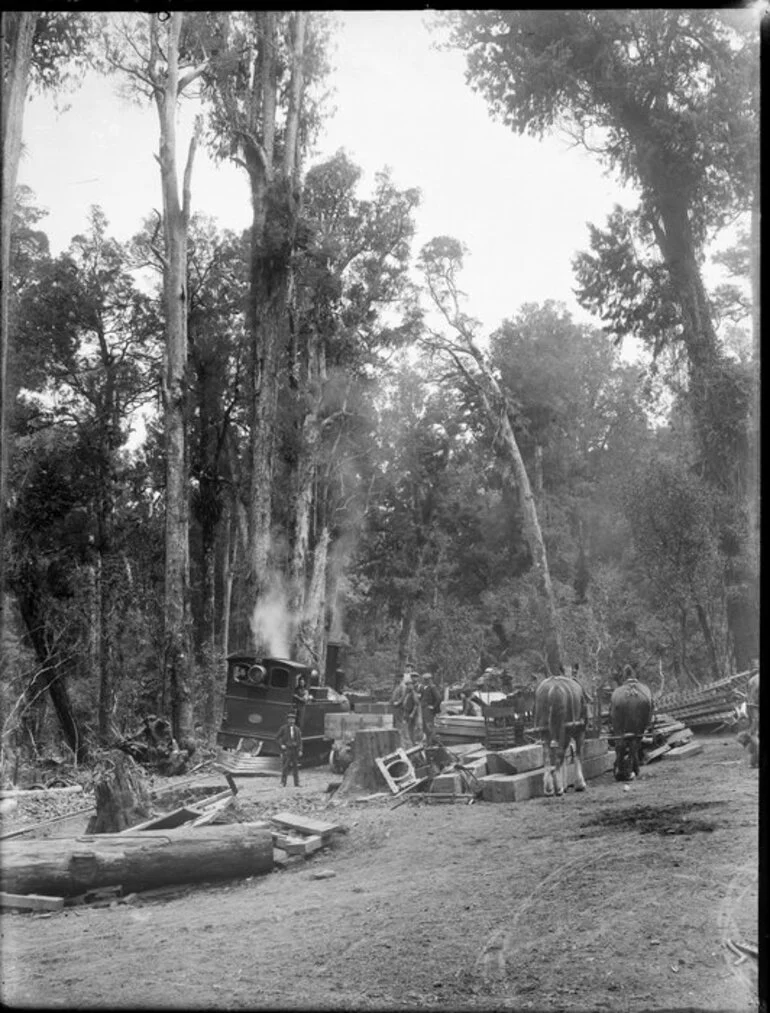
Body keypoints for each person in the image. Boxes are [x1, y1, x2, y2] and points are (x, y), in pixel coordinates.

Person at [276, 712, 303, 787]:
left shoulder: (297, 729)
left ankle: (297, 783)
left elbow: (300, 741)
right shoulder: (283, 728)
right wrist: (281, 745)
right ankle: (283, 783)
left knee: (296, 767)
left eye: (293, 719)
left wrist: (300, 750)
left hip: (295, 750)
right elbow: (277, 738)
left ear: (294, 720)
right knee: (285, 767)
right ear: (287, 720)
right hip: (287, 750)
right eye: (290, 719)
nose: (291, 721)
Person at [419, 672, 442, 744]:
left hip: (428, 709)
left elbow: (439, 698)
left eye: (427, 679)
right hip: (423, 708)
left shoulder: (432, 687)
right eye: (425, 679)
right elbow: (421, 697)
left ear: (430, 680)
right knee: (425, 726)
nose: (426, 681)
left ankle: (431, 742)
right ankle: (428, 742)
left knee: (429, 726)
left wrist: (433, 707)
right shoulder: (423, 687)